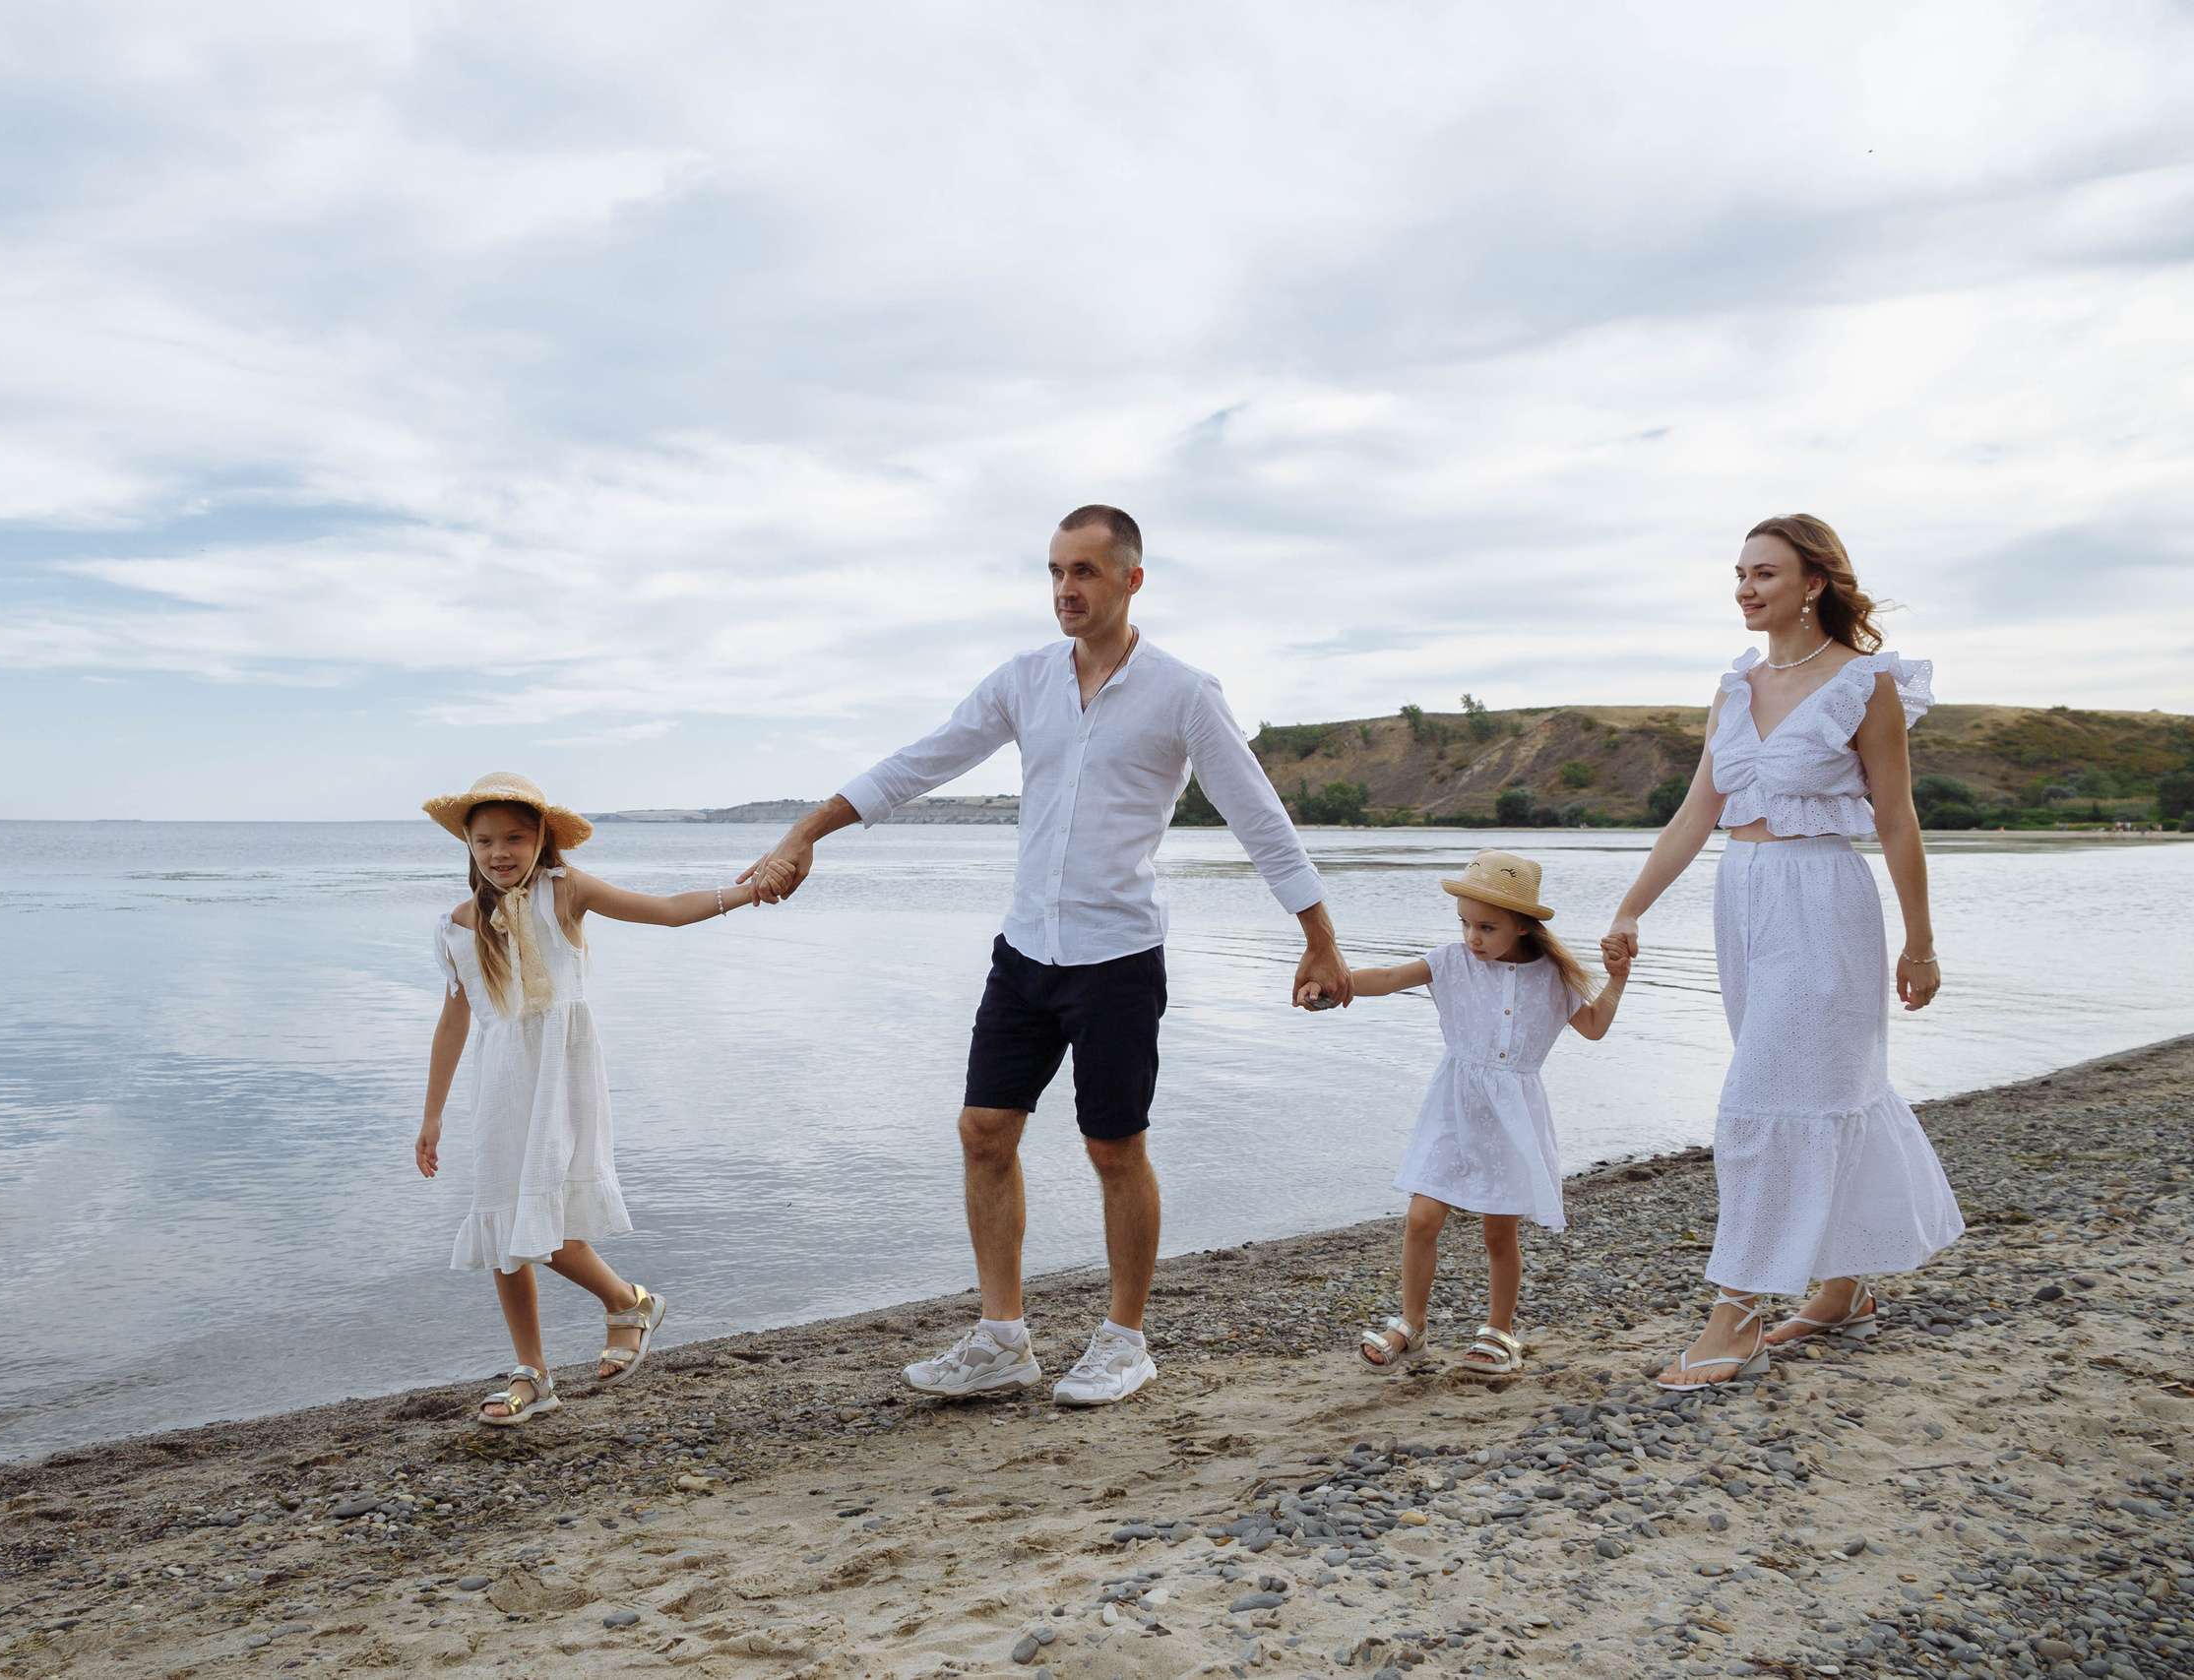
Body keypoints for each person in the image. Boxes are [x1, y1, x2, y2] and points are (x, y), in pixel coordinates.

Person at [739, 505, 1352, 1407]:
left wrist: (1321, 941)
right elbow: (922, 761)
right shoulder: (1023, 680)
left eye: (1086, 572)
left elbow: (1258, 817)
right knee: (984, 1131)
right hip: (1024, 950)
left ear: (1131, 580)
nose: (1067, 588)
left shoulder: (1183, 692)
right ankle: (1002, 1338)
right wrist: (808, 830)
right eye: (1057, 572)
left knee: (1114, 1147)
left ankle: (1125, 1339)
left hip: (1117, 956)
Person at [1604, 516, 1962, 1391]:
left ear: (1813, 584)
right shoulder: (1734, 687)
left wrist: (1920, 942)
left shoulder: (1863, 683)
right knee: (1822, 1087)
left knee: (1767, 1096)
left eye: (1764, 572)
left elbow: (1896, 817)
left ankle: (1740, 1311)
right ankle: (1840, 1287)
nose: (1745, 588)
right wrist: (1630, 908)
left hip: (1823, 902)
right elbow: (1697, 814)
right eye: (1737, 574)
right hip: (1744, 899)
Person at [416, 772, 786, 1426]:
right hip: (501, 1086)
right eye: (484, 841)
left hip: (560, 1076)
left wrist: (746, 893)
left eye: (514, 838)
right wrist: (433, 1113)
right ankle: (535, 1370)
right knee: (503, 1222)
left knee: (546, 1220)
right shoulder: (459, 924)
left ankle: (625, 1301)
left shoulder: (566, 892)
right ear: (468, 847)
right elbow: (454, 1022)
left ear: (541, 840)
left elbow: (667, 910)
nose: (499, 852)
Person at [1337, 851, 1631, 1377]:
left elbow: (1593, 1026)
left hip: (1513, 1118)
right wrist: (1335, 984)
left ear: (1522, 926)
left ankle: (1500, 1332)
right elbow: (1385, 976)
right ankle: (1412, 1326)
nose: (1473, 937)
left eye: (1487, 927)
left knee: (1499, 1233)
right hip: (1453, 1110)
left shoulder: (1552, 980)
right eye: (1466, 924)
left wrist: (1617, 978)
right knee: (1422, 1218)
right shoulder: (1451, 962)